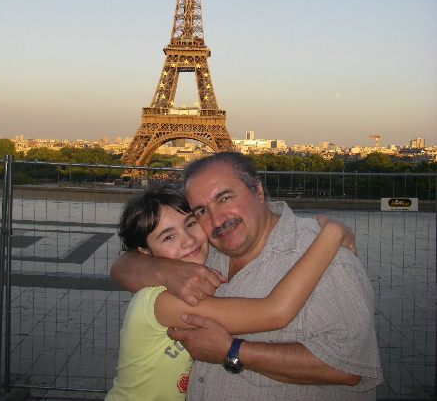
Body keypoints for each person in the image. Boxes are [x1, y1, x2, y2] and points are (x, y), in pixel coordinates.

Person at [111, 152, 383, 400]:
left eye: (225, 198)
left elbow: (349, 367)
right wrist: (166, 270)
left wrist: (234, 351)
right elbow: (123, 265)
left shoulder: (328, 259)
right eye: (201, 211)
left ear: (258, 189)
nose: (217, 221)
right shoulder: (198, 254)